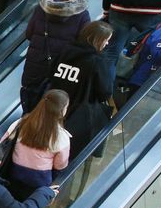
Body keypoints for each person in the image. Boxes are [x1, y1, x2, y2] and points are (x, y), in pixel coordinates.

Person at [20, 0, 91, 112]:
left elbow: (29, 34)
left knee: (29, 110)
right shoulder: (82, 14)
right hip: (60, 70)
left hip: (35, 66)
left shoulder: (42, 7)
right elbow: (83, 46)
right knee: (52, 112)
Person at [48, 21, 114, 156]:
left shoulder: (64, 51)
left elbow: (50, 74)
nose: (107, 44)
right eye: (106, 40)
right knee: (67, 156)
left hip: (51, 109)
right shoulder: (97, 62)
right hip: (77, 117)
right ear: (97, 40)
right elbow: (105, 92)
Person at [2, 89, 70, 199]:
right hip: (39, 182)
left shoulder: (21, 123)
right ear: (61, 111)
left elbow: (3, 143)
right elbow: (60, 165)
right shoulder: (61, 137)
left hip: (13, 174)